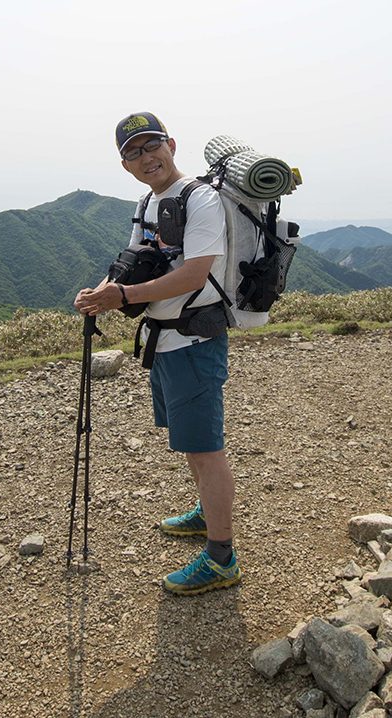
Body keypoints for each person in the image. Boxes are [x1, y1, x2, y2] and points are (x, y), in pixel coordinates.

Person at [73, 112, 240, 596]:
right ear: (124, 164)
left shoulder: (200, 199)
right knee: (191, 441)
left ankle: (222, 557)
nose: (147, 158)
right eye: (134, 152)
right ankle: (206, 513)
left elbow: (193, 274)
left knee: (207, 449)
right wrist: (99, 291)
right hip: (163, 339)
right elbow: (129, 264)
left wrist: (121, 299)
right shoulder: (149, 202)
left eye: (152, 146)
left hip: (194, 339)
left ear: (171, 143)